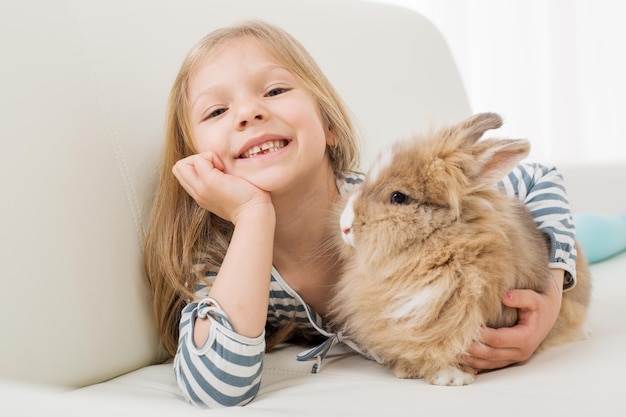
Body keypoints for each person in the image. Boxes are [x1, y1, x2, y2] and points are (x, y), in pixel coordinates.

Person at [143, 20, 578, 408]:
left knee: (587, 237)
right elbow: (218, 389)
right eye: (216, 111)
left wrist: (552, 298)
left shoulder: (380, 195)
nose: (249, 113)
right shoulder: (220, 264)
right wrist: (253, 214)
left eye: (275, 91)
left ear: (328, 126)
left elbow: (539, 179)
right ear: (197, 163)